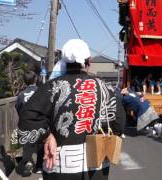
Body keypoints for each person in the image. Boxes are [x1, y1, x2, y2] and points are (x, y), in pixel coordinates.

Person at [17, 39, 123, 180]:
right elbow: (119, 122)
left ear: (63, 62)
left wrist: (47, 136)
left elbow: (27, 117)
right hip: (97, 163)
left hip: (60, 165)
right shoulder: (106, 88)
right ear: (89, 61)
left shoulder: (51, 87)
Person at [15, 71, 43, 176]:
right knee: (40, 145)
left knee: (27, 145)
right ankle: (39, 166)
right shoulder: (41, 91)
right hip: (39, 122)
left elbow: (18, 108)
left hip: (25, 123)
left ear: (25, 81)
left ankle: (27, 163)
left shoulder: (21, 94)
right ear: (35, 79)